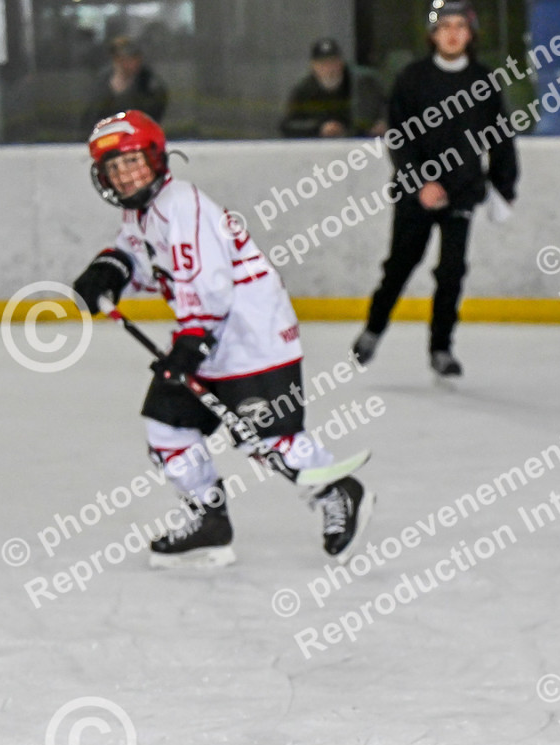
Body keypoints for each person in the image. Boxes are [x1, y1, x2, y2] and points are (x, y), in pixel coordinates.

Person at [71, 110, 374, 568]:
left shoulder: (183, 205)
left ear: (156, 158)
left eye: (132, 162)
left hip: (254, 339)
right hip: (209, 337)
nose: (126, 175)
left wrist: (190, 345)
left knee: (266, 439)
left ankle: (338, 492)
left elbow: (209, 284)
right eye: (115, 168)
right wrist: (109, 270)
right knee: (168, 427)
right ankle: (208, 520)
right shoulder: (142, 212)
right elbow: (138, 255)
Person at [351, 0, 518, 378]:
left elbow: (501, 138)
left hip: (462, 191)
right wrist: (418, 183)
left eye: (460, 26)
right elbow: (399, 137)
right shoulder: (412, 79)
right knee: (400, 264)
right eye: (445, 26)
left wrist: (504, 187)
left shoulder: (484, 81)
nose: (453, 33)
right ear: (433, 34)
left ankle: (441, 348)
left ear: (471, 33)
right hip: (416, 194)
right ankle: (373, 330)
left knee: (452, 271)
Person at [279, 37, 387, 139]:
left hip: (363, 141)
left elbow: (384, 108)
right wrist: (319, 128)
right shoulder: (304, 90)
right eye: (323, 64)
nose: (329, 69)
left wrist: (382, 123)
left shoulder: (363, 84)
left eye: (333, 62)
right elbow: (288, 125)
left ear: (341, 62)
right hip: (321, 146)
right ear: (313, 66)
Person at [81, 37, 167, 132]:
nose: (123, 63)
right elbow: (91, 115)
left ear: (138, 59)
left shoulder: (150, 85)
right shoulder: (102, 82)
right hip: (105, 136)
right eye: (119, 58)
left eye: (129, 58)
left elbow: (151, 118)